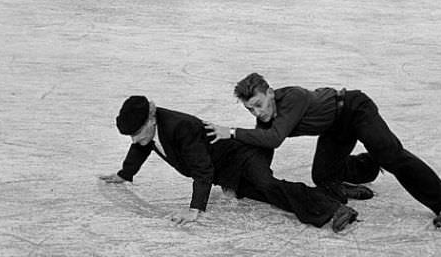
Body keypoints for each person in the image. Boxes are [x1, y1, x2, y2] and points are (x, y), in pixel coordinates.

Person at [204, 74, 441, 228]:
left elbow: (273, 139)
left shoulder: (293, 97)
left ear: (271, 93)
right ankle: (370, 164)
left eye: (259, 104)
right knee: (323, 177)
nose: (258, 112)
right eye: (250, 109)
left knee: (392, 156)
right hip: (335, 129)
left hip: (355, 109)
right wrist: (251, 180)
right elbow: (263, 145)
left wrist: (233, 132)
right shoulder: (266, 118)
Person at [99, 96, 358, 233]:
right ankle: (325, 196)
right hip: (224, 168)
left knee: (267, 185)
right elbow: (140, 147)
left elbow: (202, 169)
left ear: (151, 118)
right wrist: (124, 174)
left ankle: (335, 210)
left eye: (138, 131)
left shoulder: (181, 127)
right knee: (262, 194)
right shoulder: (148, 132)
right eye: (130, 134)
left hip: (244, 153)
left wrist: (195, 209)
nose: (136, 138)